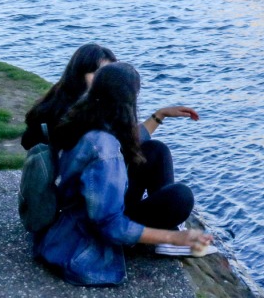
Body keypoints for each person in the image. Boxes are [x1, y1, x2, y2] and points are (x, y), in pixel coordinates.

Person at [36, 62, 210, 287]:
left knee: (155, 150)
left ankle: (168, 228)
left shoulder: (83, 118)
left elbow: (129, 141)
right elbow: (110, 225)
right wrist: (173, 238)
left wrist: (160, 115)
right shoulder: (104, 150)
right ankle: (168, 234)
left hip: (80, 209)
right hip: (88, 234)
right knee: (181, 196)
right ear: (127, 99)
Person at [22, 44, 118, 150]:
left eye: (108, 73)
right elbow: (28, 141)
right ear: (81, 73)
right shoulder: (57, 108)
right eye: (97, 73)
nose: (104, 79)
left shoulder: (106, 102)